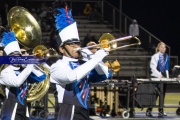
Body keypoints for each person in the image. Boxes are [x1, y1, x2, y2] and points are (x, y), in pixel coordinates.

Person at [50, 2, 111, 120]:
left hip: (84, 111)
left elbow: (105, 74)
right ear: (62, 49)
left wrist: (91, 56)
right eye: (71, 44)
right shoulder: (57, 66)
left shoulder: (84, 64)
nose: (76, 46)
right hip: (67, 111)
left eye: (77, 43)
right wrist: (96, 58)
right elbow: (72, 76)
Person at [0, 31, 46, 120]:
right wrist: (29, 65)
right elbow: (17, 82)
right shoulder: (5, 73)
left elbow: (41, 77)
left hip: (24, 109)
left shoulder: (24, 71)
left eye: (19, 56)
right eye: (14, 56)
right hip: (10, 110)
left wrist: (30, 63)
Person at [146, 42, 169, 117]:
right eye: (162, 47)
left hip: (163, 79)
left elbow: (166, 68)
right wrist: (160, 75)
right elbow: (153, 68)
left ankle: (161, 110)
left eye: (164, 47)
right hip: (156, 77)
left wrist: (167, 78)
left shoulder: (167, 56)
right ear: (158, 48)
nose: (163, 49)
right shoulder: (155, 56)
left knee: (162, 95)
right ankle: (149, 110)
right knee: (154, 95)